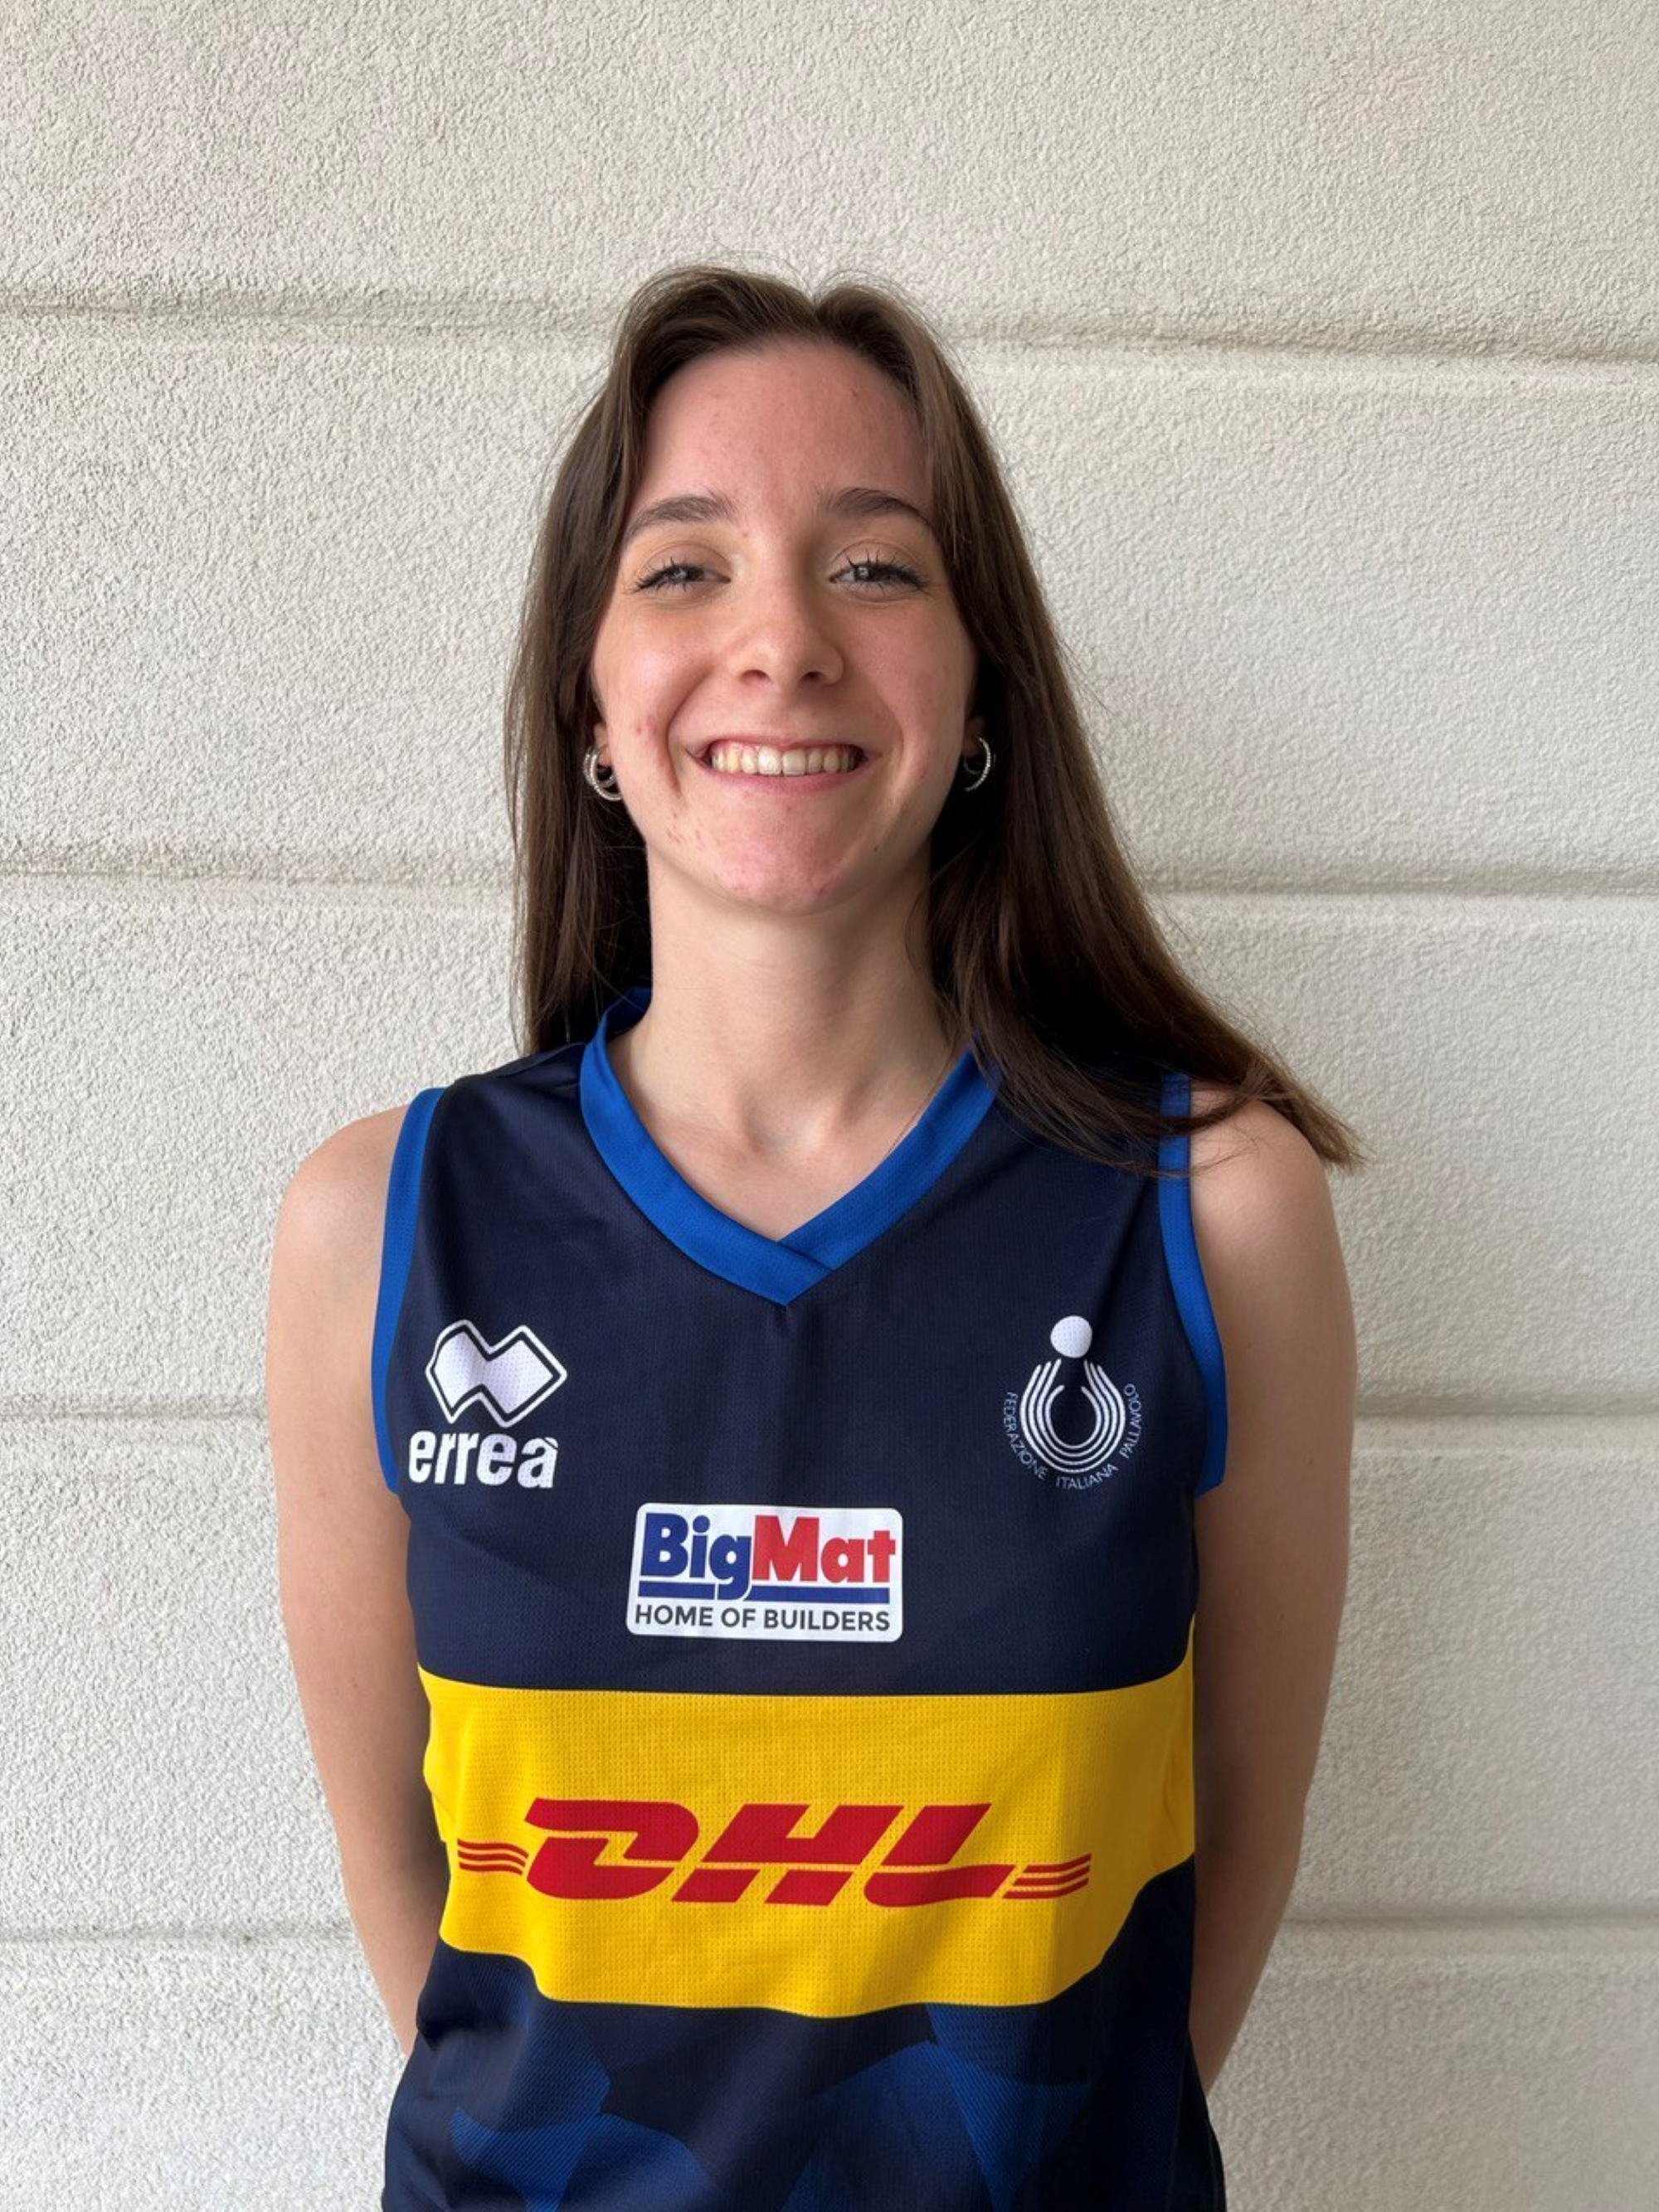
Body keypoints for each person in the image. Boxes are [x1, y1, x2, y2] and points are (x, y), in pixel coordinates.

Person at [265, 263, 1360, 2211]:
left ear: (982, 687)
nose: (780, 641)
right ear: (589, 698)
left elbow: (1231, 1842)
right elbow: (408, 1891)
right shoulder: (384, 1227)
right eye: (684, 568)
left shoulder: (1211, 1212)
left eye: (873, 566)